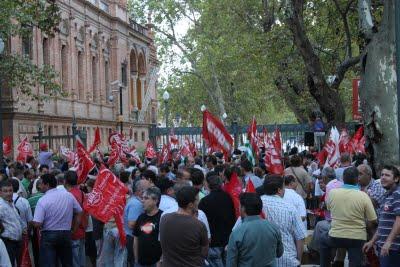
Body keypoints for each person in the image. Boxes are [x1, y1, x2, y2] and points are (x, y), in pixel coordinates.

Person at [320, 167, 377, 267]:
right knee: (355, 262)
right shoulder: (364, 196)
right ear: (357, 179)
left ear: (343, 178)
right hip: (357, 238)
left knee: (323, 239)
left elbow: (328, 208)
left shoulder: (333, 193)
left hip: (336, 236)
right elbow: (373, 220)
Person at [32, 173, 83, 267]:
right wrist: (74, 229)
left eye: (41, 183)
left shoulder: (43, 200)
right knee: (67, 263)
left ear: (47, 185)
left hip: (49, 235)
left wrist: (32, 222)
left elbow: (37, 223)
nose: (39, 186)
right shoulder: (68, 196)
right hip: (66, 234)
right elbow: (79, 212)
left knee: (48, 264)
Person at [226, 193, 283, 267]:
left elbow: (231, 264)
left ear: (243, 208)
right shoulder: (274, 228)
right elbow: (279, 253)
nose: (238, 208)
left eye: (239, 205)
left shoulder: (237, 233)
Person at [261, 175, 306, 267]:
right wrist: (298, 260)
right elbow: (300, 237)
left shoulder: (255, 204)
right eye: (283, 187)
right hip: (287, 260)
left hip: (261, 260)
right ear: (279, 190)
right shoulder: (290, 208)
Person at [160, 186, 208, 267]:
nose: (199, 201)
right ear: (190, 205)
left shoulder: (164, 218)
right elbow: (204, 252)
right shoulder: (199, 225)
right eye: (197, 199)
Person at [363, 165, 400, 267]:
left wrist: (388, 242)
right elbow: (383, 224)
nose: (383, 177)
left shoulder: (397, 194)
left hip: (393, 248)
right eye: (382, 174)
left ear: (396, 179)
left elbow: (399, 220)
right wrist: (372, 241)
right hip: (384, 247)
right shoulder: (386, 195)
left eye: (387, 175)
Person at [199, 175, 236, 267]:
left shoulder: (205, 201)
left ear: (207, 184)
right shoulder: (228, 197)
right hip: (228, 239)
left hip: (214, 242)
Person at [133, 187, 163, 267]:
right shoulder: (141, 217)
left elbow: (167, 241)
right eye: (142, 198)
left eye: (146, 198)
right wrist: (136, 259)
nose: (142, 201)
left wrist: (160, 260)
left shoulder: (163, 217)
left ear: (155, 201)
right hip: (140, 263)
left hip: (156, 263)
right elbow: (136, 238)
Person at [124, 179, 151, 267]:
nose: (150, 191)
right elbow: (132, 224)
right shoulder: (137, 204)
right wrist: (151, 227)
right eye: (148, 189)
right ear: (140, 191)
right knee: (135, 262)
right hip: (133, 239)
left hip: (132, 237)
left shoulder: (136, 201)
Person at [64, 170, 88, 267]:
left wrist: (72, 231)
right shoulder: (82, 194)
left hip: (73, 232)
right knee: (81, 260)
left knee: (74, 262)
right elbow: (86, 212)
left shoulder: (67, 196)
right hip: (82, 231)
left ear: (65, 181)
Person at [0, 179, 24, 266]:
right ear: (0, 192)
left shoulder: (10, 203)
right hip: (8, 243)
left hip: (16, 242)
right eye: (5, 191)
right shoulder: (1, 206)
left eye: (10, 190)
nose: (9, 193)